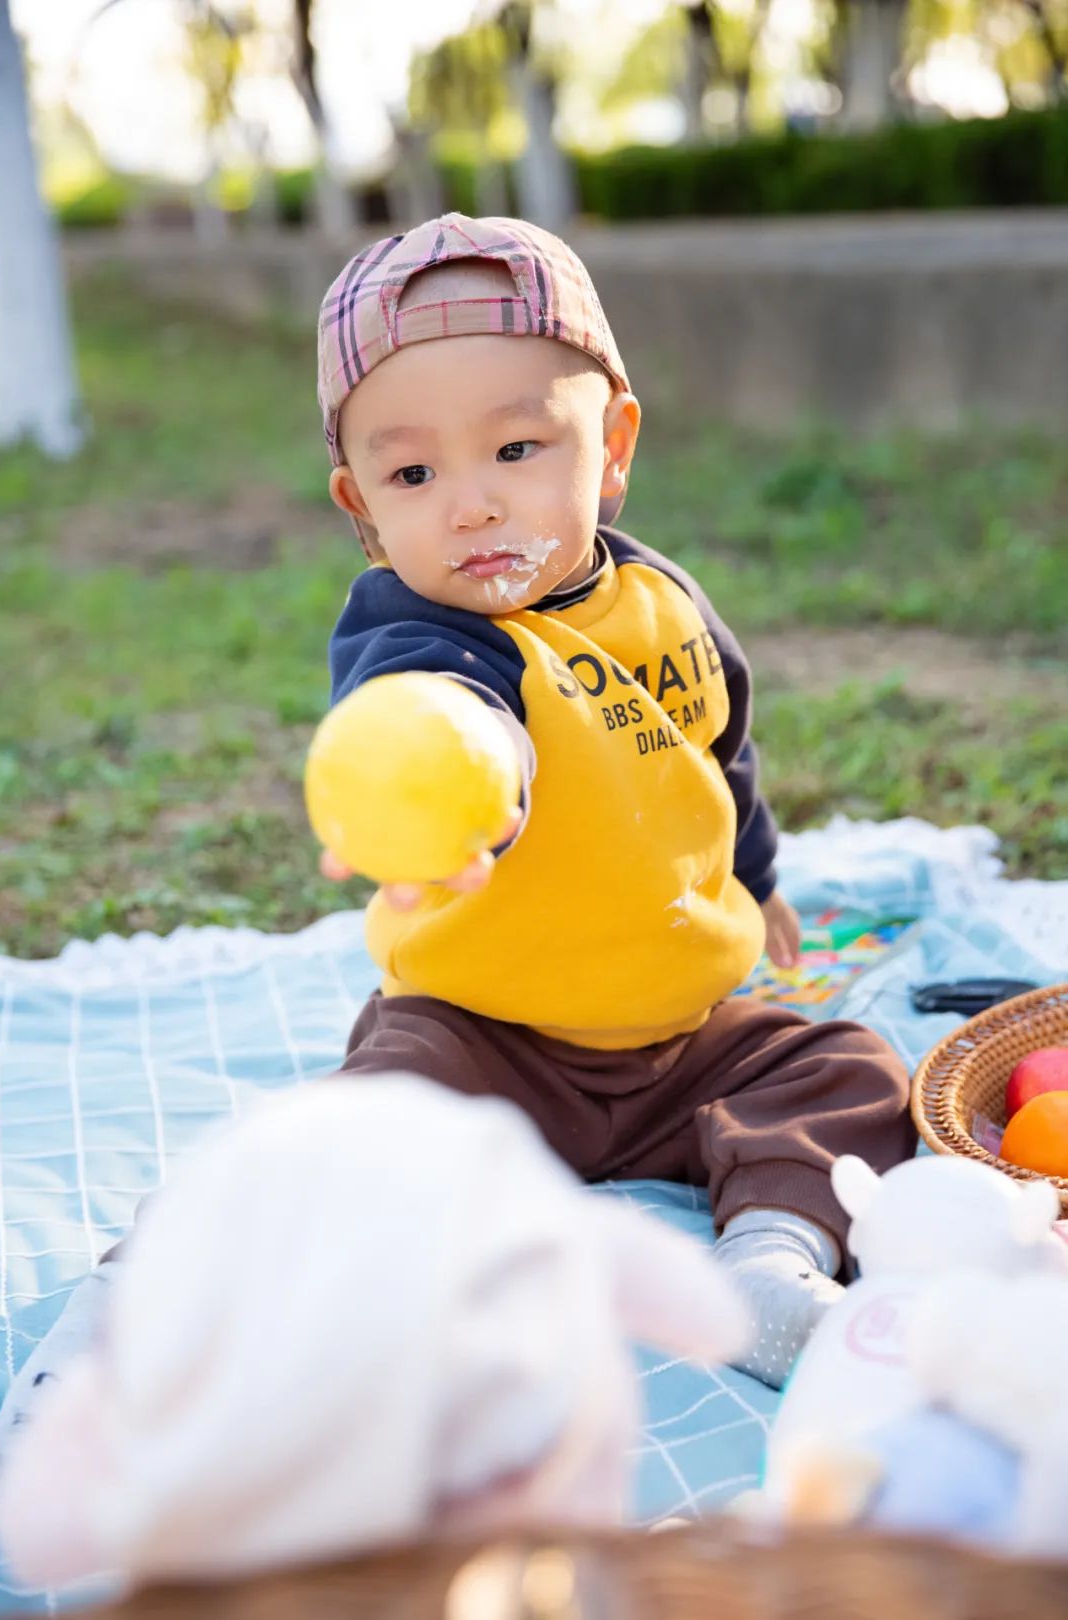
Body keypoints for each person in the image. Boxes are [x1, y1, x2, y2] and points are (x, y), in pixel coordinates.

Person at [314, 212, 915, 1388]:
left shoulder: (665, 605)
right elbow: (443, 708)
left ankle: (771, 1260)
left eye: (518, 450)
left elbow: (716, 749)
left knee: (848, 1071)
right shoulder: (418, 630)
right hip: (487, 1040)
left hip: (678, 1046)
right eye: (415, 473)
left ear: (615, 444)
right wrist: (456, 775)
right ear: (362, 507)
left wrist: (759, 877)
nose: (472, 505)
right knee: (370, 1128)